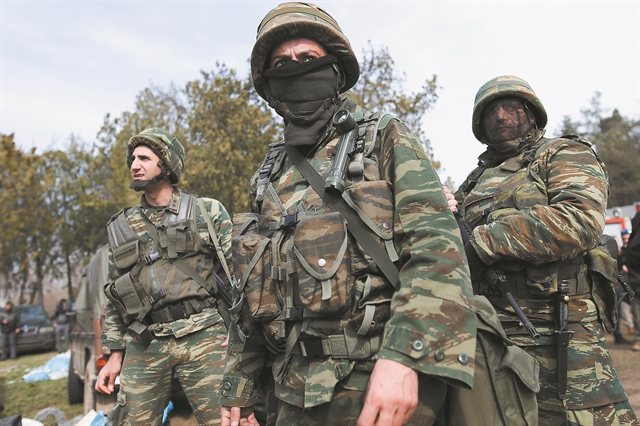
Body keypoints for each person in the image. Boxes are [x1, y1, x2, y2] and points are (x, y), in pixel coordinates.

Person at [220, 3, 495, 425]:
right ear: (269, 83)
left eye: (308, 58)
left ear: (335, 69)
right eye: (282, 64)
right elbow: (254, 291)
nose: (296, 69)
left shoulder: (383, 136)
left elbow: (438, 251)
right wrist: (239, 386)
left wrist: (404, 357)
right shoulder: (269, 172)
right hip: (290, 395)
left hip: (379, 385)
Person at [456, 75, 638, 425]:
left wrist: (483, 241)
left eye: (511, 107)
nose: (501, 116)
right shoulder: (473, 181)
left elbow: (580, 219)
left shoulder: (562, 152)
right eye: (491, 112)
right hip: (490, 330)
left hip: (559, 327)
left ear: (531, 113)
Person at [95, 128, 234, 426]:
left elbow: (240, 275)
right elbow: (115, 295)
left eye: (144, 158)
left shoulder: (205, 211)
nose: (134, 165)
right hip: (145, 339)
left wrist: (240, 328)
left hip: (204, 333)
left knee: (225, 420)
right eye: (133, 159)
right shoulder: (122, 226)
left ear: (167, 166)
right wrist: (115, 355)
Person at [625, 211, 640, 351]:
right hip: (635, 281)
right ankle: (638, 339)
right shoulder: (634, 240)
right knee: (636, 314)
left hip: (635, 279)